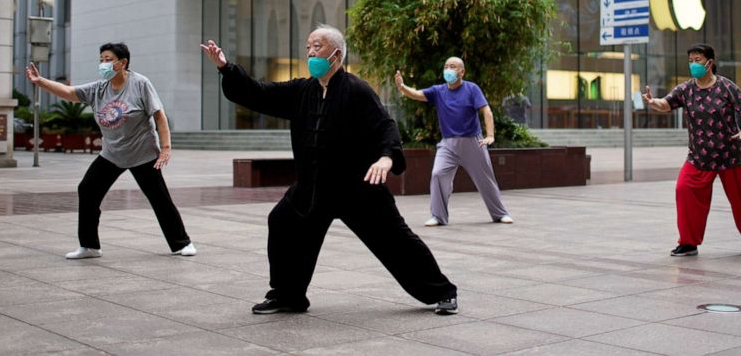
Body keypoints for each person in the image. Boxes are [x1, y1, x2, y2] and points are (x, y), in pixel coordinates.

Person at [201, 26, 459, 315]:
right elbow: (259, 93)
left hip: (358, 189)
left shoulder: (357, 90)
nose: (310, 52)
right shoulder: (302, 90)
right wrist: (226, 68)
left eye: (317, 47)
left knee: (396, 241)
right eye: (308, 47)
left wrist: (387, 158)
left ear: (335, 54)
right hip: (312, 189)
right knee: (283, 222)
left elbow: (385, 126)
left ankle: (443, 292)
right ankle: (288, 296)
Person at [25, 42, 195, 259]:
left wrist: (165, 148)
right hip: (112, 153)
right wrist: (41, 82)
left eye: (108, 59)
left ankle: (182, 243)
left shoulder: (140, 84)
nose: (103, 64)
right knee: (87, 190)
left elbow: (159, 115)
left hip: (142, 153)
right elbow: (69, 92)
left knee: (159, 198)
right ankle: (89, 246)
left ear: (122, 63)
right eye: (101, 60)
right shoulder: (99, 88)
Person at [642, 43, 741, 257]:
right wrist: (653, 102)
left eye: (698, 60)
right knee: (684, 190)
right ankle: (688, 243)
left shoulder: (726, 87)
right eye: (690, 60)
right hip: (699, 157)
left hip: (731, 155)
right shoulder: (685, 89)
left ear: (710, 63)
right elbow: (666, 104)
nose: (693, 64)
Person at [395, 58, 513, 227]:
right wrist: (402, 87)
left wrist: (490, 135)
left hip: (473, 142)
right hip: (448, 144)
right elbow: (417, 94)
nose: (448, 69)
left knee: (485, 179)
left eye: (453, 67)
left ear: (462, 72)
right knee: (438, 174)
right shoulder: (438, 91)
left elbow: (486, 111)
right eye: (446, 67)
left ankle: (500, 214)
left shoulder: (472, 89)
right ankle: (438, 216)